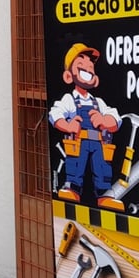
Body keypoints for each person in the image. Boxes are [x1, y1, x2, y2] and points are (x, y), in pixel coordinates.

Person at [49, 43, 124, 211]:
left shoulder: (99, 103)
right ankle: (72, 189)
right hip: (78, 141)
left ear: (95, 79)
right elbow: (55, 114)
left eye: (90, 69)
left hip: (99, 143)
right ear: (68, 76)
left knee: (102, 167)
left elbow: (116, 118)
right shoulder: (69, 99)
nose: (88, 70)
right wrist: (68, 125)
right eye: (82, 68)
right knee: (76, 165)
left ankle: (105, 195)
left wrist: (105, 121)